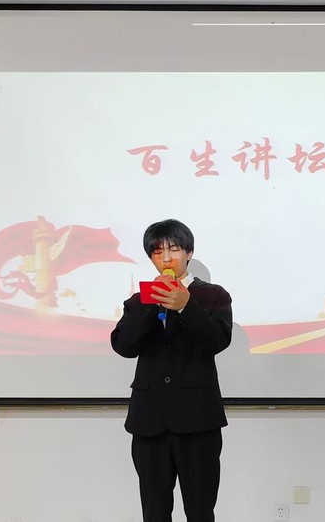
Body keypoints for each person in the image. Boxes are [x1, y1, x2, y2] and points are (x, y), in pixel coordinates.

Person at [111, 219, 232, 522]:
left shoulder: (213, 295)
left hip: (198, 421)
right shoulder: (139, 300)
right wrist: (153, 302)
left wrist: (186, 306)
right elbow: (123, 345)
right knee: (154, 511)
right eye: (157, 251)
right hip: (149, 421)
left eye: (174, 249)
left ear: (189, 253)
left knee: (200, 510)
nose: (166, 258)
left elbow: (218, 340)